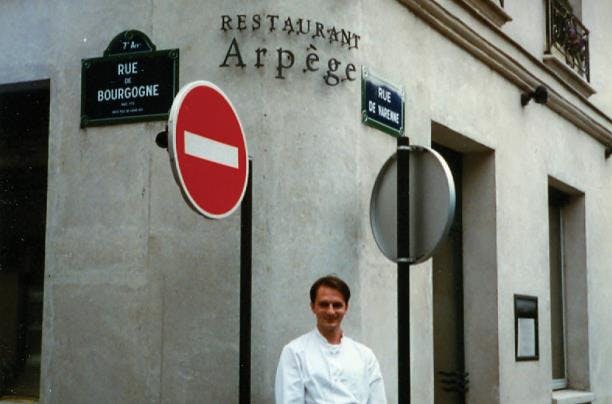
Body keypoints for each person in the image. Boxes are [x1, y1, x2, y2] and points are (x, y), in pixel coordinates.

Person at [275, 275, 387, 404]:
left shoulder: (365, 356)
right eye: (324, 304)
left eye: (337, 305)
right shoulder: (295, 352)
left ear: (346, 308)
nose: (331, 311)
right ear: (313, 307)